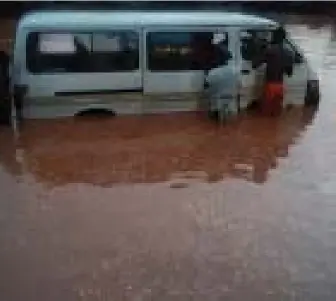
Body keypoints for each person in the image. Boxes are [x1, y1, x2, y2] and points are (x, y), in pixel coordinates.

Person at [253, 27, 294, 116]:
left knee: (264, 115)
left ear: (274, 37)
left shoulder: (270, 51)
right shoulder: (289, 53)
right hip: (280, 86)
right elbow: (289, 73)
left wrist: (260, 49)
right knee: (276, 115)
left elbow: (255, 64)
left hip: (270, 85)